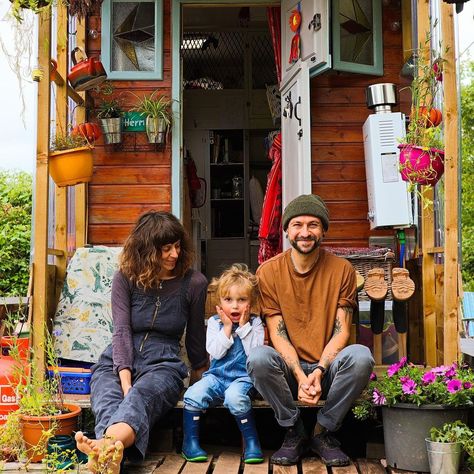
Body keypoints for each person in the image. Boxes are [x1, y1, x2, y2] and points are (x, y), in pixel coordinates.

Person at [75, 211, 209, 474]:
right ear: (146, 250)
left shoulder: (194, 283)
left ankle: (104, 448)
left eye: (178, 246)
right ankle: (110, 453)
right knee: (108, 396)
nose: (174, 254)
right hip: (118, 358)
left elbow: (195, 339)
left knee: (140, 395)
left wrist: (202, 380)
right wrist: (125, 381)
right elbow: (122, 330)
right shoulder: (125, 278)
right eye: (165, 249)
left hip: (164, 364)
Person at [247, 194, 375, 467]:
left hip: (328, 370)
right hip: (288, 373)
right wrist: (299, 374)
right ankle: (294, 431)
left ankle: (322, 431)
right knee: (258, 358)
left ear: (324, 230)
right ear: (287, 230)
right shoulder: (268, 272)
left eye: (313, 224)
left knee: (361, 357)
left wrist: (317, 371)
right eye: (297, 224)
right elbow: (277, 333)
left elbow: (342, 331)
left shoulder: (343, 271)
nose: (305, 232)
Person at [182, 264, 265, 464]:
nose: (235, 306)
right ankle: (190, 443)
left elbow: (254, 354)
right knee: (193, 394)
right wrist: (227, 328)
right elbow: (215, 352)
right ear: (219, 302)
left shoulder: (255, 324)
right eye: (228, 300)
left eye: (242, 300)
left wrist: (243, 328)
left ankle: (252, 443)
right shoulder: (214, 323)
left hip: (243, 379)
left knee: (235, 397)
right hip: (216, 377)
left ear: (251, 302)